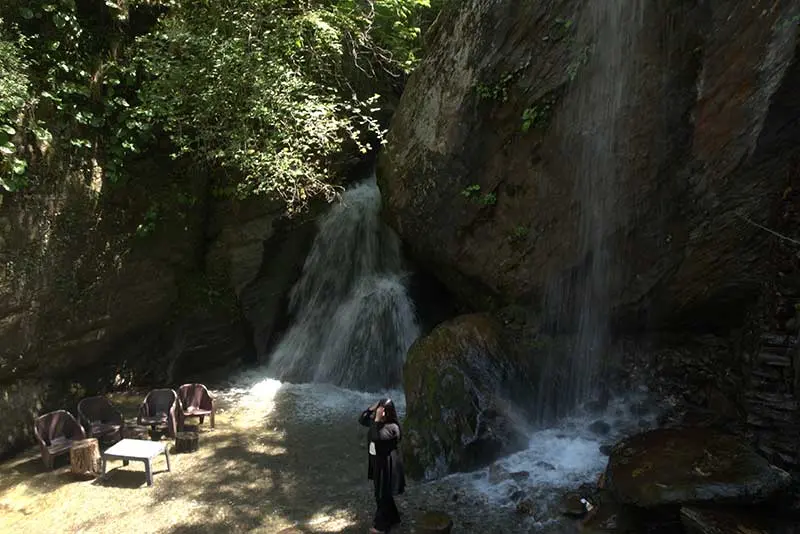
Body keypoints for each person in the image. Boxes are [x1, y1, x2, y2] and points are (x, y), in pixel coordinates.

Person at [358, 398, 405, 533]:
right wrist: (369, 409)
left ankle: (381, 526)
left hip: (387, 465)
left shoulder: (392, 428)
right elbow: (361, 420)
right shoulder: (377, 423)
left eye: (381, 409)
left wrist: (377, 420)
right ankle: (394, 518)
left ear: (386, 412)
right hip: (377, 461)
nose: (378, 411)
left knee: (381, 494)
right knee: (384, 493)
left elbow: (375, 436)